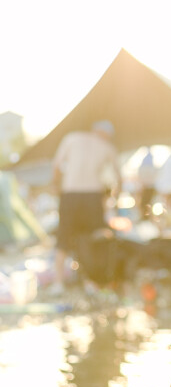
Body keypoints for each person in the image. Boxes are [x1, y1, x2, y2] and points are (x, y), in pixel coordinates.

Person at [51, 119, 121, 290]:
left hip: (70, 193)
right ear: (107, 135)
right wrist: (113, 199)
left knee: (64, 238)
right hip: (92, 195)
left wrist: (56, 187)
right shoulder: (107, 147)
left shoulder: (72, 138)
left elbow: (57, 166)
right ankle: (91, 281)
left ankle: (58, 283)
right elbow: (118, 178)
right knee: (93, 238)